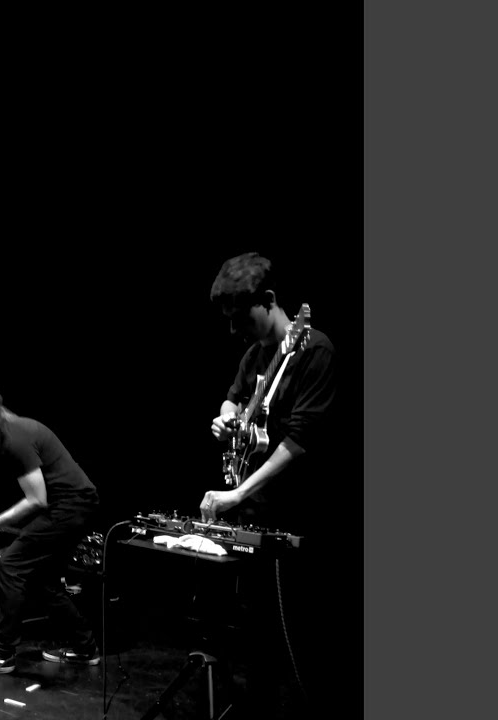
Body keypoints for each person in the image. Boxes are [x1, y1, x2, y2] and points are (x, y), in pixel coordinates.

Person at [200, 251, 342, 718]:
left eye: (242, 317)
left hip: (297, 513)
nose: (234, 329)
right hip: (255, 512)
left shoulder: (315, 351)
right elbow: (233, 398)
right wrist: (225, 418)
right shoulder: (256, 354)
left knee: (295, 634)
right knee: (253, 625)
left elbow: (300, 441)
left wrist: (239, 492)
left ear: (270, 300)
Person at [0, 387, 101, 674]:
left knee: (10, 564)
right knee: (43, 580)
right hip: (70, 504)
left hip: (70, 506)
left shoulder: (14, 438)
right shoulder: (5, 433)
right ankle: (84, 647)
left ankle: (1, 653)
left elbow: (37, 499)